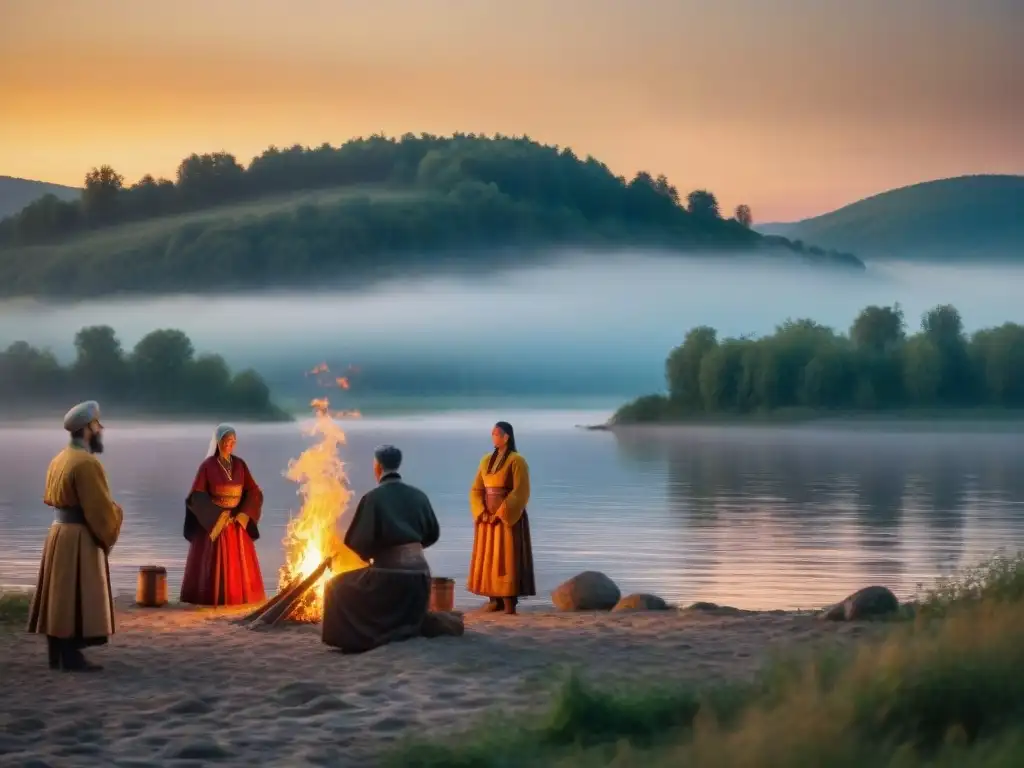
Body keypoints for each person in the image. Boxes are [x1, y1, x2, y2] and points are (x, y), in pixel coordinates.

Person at [27, 400, 124, 672]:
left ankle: (56, 653)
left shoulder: (59, 459)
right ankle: (72, 657)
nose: (101, 430)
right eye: (98, 425)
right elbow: (99, 509)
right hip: (80, 536)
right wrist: (116, 516)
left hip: (58, 533)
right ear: (88, 429)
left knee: (59, 593)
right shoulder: (86, 464)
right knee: (75, 593)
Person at [322, 445, 441, 654]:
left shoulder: (373, 498)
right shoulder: (419, 496)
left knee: (335, 586)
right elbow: (432, 534)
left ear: (377, 467)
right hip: (420, 579)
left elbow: (357, 541)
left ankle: (353, 639)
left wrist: (372, 556)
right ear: (398, 465)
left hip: (389, 578)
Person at [180, 424, 266, 606]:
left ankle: (239, 598)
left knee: (239, 566)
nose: (229, 444)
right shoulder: (207, 466)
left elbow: (253, 491)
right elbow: (197, 495)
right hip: (216, 523)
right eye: (226, 440)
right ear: (218, 442)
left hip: (235, 522)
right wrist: (217, 516)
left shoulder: (240, 465)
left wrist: (243, 513)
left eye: (233, 441)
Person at [467, 420, 536, 614]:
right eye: (492, 433)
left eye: (497, 433)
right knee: (488, 557)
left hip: (507, 518)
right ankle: (493, 599)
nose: (494, 436)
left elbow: (521, 491)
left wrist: (502, 513)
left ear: (507, 436)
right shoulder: (485, 460)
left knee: (507, 558)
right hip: (487, 518)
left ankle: (508, 602)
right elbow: (476, 489)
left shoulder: (517, 460)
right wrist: (481, 512)